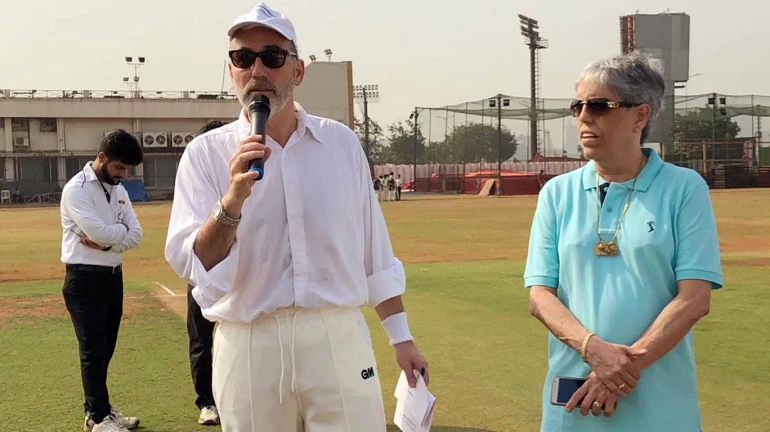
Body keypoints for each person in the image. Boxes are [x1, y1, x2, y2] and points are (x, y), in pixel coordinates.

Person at [164, 3, 429, 431]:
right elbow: (195, 263)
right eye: (243, 58)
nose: (257, 70)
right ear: (230, 70)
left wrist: (402, 338)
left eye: (272, 56)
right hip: (249, 340)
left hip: (335, 335)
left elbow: (373, 251)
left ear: (298, 71)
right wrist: (232, 200)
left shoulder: (341, 145)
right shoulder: (205, 154)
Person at [524, 51, 722, 432]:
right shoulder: (556, 193)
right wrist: (594, 352)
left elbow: (695, 299)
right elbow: (540, 296)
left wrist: (619, 369)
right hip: (573, 404)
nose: (583, 116)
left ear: (641, 116)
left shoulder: (683, 189)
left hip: (660, 408)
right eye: (577, 105)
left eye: (599, 105)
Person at [60, 130, 144, 432]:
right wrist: (114, 236)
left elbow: (136, 235)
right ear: (102, 158)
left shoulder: (118, 190)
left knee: (105, 349)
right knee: (93, 350)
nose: (123, 175)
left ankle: (100, 409)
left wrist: (111, 240)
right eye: (119, 168)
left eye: (127, 170)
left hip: (112, 277)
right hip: (84, 279)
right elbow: (100, 233)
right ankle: (97, 418)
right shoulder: (77, 190)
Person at [184, 120, 228, 426]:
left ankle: (234, 395)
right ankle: (207, 402)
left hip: (240, 276)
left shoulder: (243, 174)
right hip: (202, 275)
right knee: (201, 340)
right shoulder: (193, 181)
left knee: (244, 335)